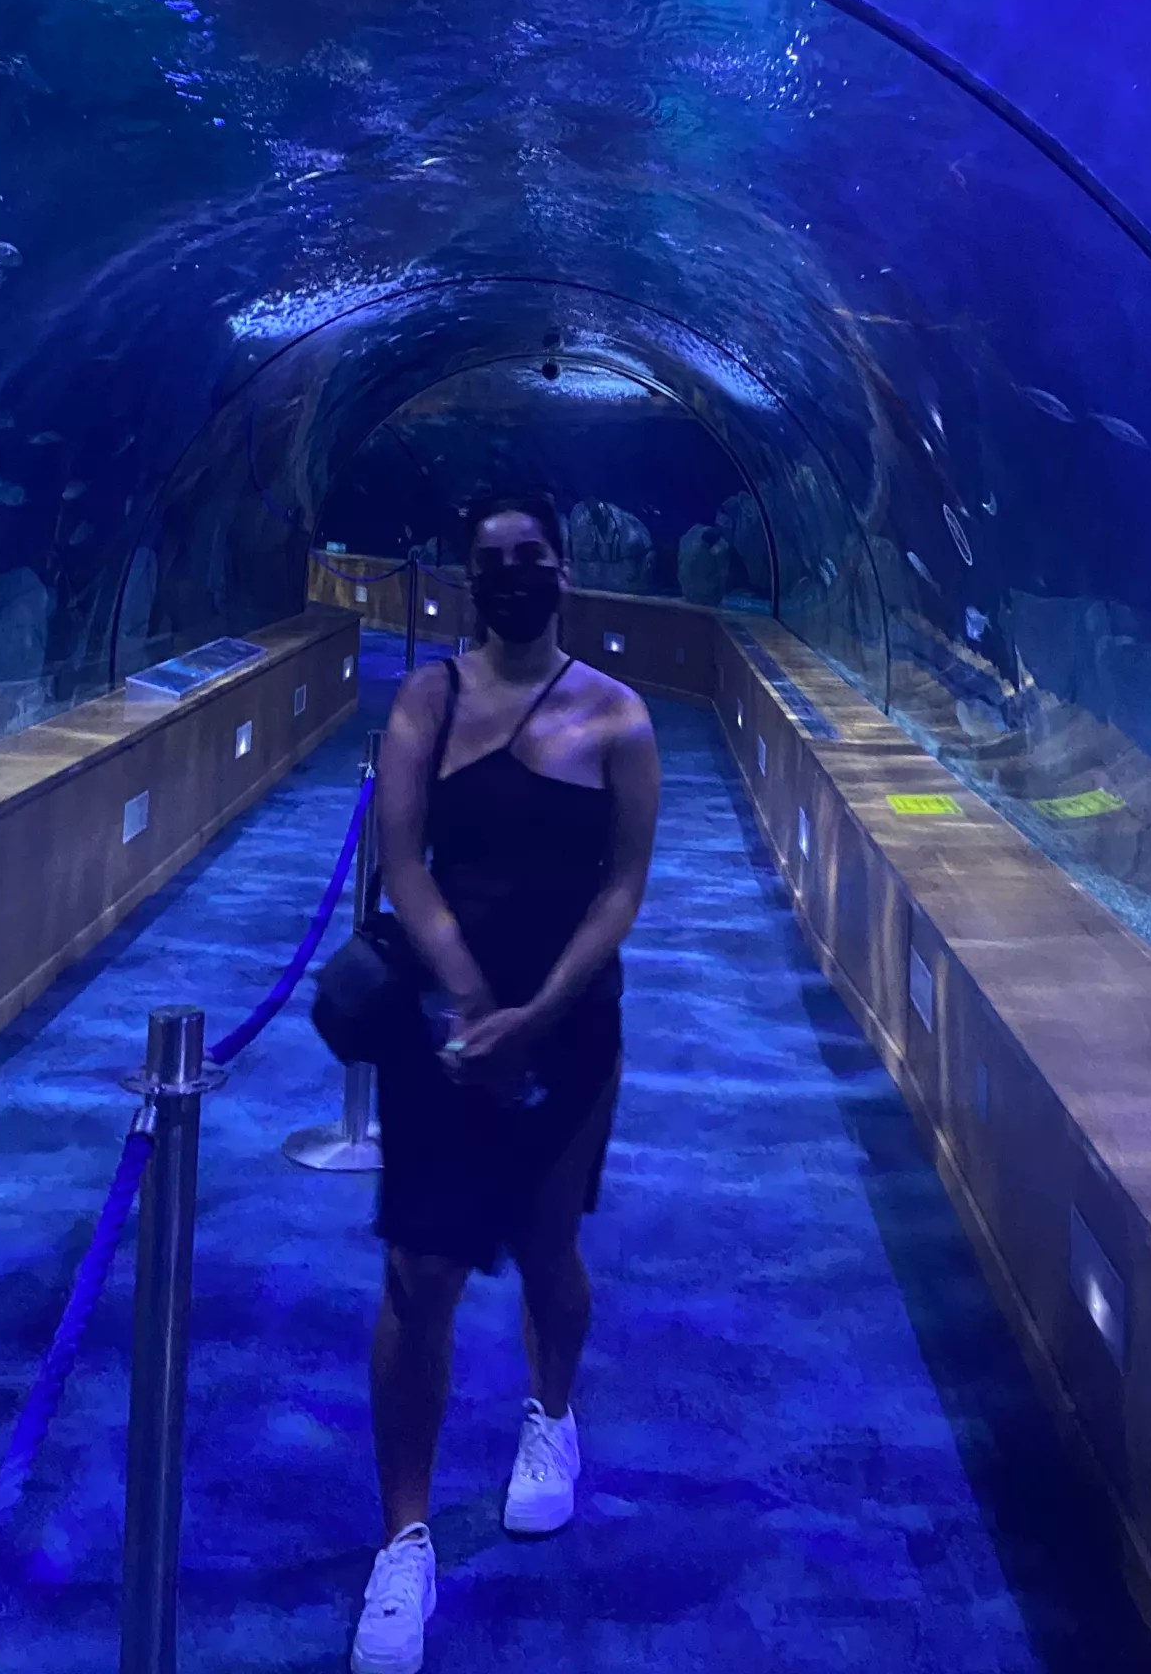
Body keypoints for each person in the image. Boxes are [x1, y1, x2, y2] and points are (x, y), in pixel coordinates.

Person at [350, 490, 661, 1674]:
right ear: (467, 579)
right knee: (419, 1272)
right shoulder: (426, 700)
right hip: (439, 1025)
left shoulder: (618, 715)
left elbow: (622, 886)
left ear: (564, 571)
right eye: (494, 560)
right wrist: (473, 1000)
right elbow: (403, 859)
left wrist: (541, 1011)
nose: (515, 575)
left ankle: (552, 1412)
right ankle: (404, 1536)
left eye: (532, 557)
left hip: (570, 1023)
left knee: (544, 1247)